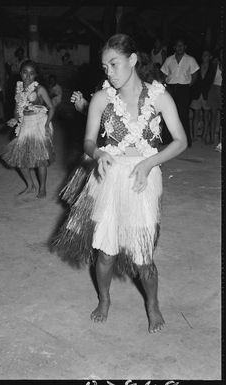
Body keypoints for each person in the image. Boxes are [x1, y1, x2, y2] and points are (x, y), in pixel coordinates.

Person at [54, 34, 187, 333]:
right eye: (105, 67)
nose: (109, 72)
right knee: (106, 252)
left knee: (143, 257)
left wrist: (149, 162)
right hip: (110, 174)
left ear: (133, 60)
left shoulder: (160, 96)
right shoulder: (101, 98)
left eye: (114, 64)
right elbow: (89, 141)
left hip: (144, 175)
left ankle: (152, 305)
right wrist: (98, 152)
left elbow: (181, 141)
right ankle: (104, 299)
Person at [0, 60, 55, 198]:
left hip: (39, 122)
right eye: (25, 73)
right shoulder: (18, 88)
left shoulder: (39, 89)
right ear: (20, 73)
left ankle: (42, 188)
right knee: (21, 158)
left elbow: (52, 107)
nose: (28, 76)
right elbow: (17, 109)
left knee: (40, 159)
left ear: (35, 75)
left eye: (31, 73)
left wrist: (47, 124)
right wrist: (15, 119)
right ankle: (30, 186)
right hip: (25, 123)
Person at [161, 38, 199, 147]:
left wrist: (186, 86)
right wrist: (167, 85)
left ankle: (185, 141)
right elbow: (164, 74)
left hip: (184, 89)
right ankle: (167, 139)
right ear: (174, 47)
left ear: (185, 47)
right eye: (177, 46)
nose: (179, 47)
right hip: (171, 88)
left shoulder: (190, 59)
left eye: (181, 45)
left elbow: (195, 76)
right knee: (169, 113)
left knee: (183, 115)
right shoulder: (169, 59)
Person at [190, 50, 215, 143]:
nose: (204, 56)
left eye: (207, 55)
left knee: (206, 115)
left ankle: (204, 136)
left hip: (207, 94)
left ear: (210, 57)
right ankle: (195, 136)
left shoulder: (213, 68)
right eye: (203, 55)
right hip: (197, 94)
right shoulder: (197, 66)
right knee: (196, 115)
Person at [208, 48, 222, 147]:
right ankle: (212, 138)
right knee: (213, 116)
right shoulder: (215, 64)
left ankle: (220, 141)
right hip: (214, 89)